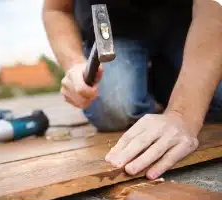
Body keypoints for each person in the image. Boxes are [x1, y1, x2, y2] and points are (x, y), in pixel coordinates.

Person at [42, 0, 222, 180]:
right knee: (115, 108)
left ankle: (161, 81)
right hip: (119, 27)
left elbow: (214, 9)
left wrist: (182, 115)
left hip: (189, 22)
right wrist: (74, 63)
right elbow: (56, 9)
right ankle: (153, 85)